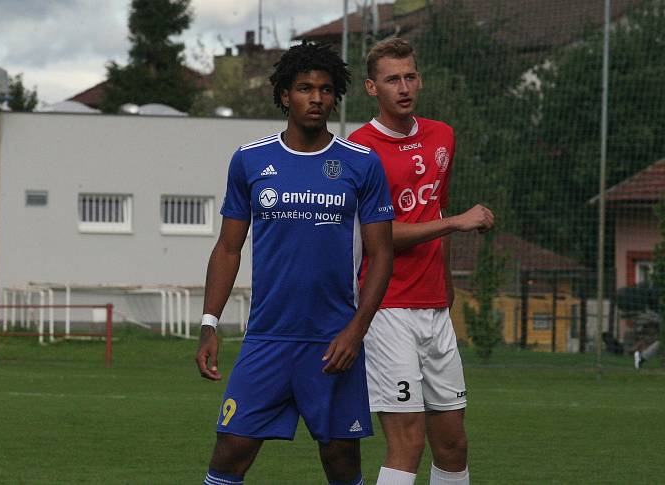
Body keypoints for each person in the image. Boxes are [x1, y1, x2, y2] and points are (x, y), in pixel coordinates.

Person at [195, 41, 395, 485]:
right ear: (285, 95)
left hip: (333, 340)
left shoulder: (361, 164)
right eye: (305, 88)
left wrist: (355, 331)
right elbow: (228, 249)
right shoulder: (250, 160)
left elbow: (382, 255)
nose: (317, 98)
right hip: (268, 338)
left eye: (325, 89)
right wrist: (210, 323)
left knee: (342, 460)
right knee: (229, 451)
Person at [348, 38, 495, 485]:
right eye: (392, 79)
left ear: (421, 80)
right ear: (372, 88)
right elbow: (378, 237)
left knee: (453, 443)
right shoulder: (359, 149)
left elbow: (435, 206)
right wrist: (455, 223)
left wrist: (446, 285)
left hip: (433, 308)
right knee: (407, 443)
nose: (404, 86)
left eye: (410, 76)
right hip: (387, 307)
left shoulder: (442, 136)